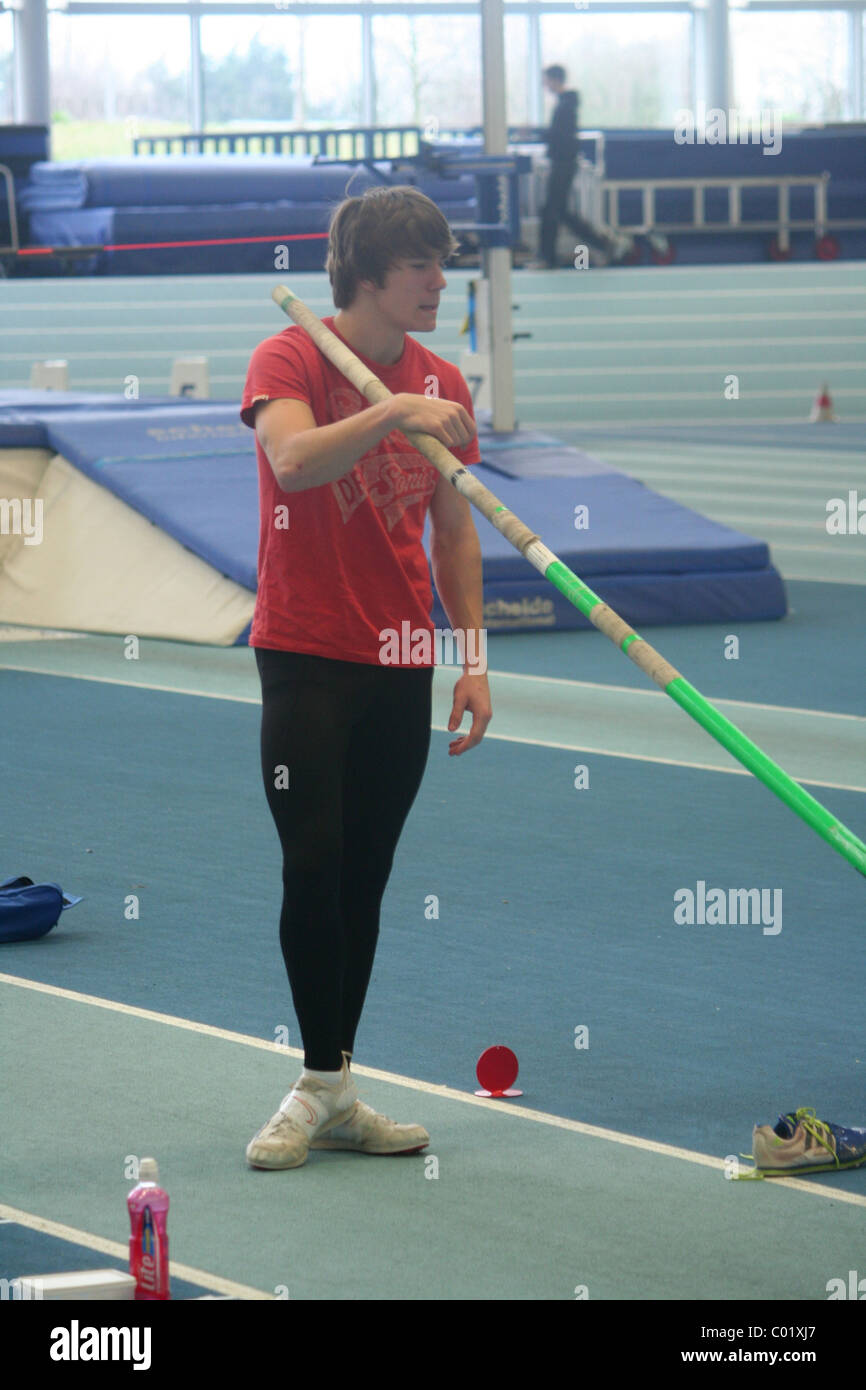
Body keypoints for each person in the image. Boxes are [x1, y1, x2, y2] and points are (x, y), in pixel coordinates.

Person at [240, 184, 492, 1171]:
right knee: (311, 861)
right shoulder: (290, 355)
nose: (440, 279)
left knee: (366, 876)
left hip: (399, 659)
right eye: (421, 263)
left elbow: (456, 527)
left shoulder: (442, 379)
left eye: (441, 261)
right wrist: (391, 409)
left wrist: (472, 661)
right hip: (304, 650)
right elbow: (295, 462)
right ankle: (314, 1081)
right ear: (369, 273)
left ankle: (335, 1083)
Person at [532, 64, 633, 268]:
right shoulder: (565, 103)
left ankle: (550, 258)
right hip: (562, 162)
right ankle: (603, 245)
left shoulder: (566, 105)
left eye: (546, 81)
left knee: (553, 210)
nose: (545, 85)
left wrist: (537, 134)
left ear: (554, 80)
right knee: (557, 211)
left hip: (564, 163)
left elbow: (561, 136)